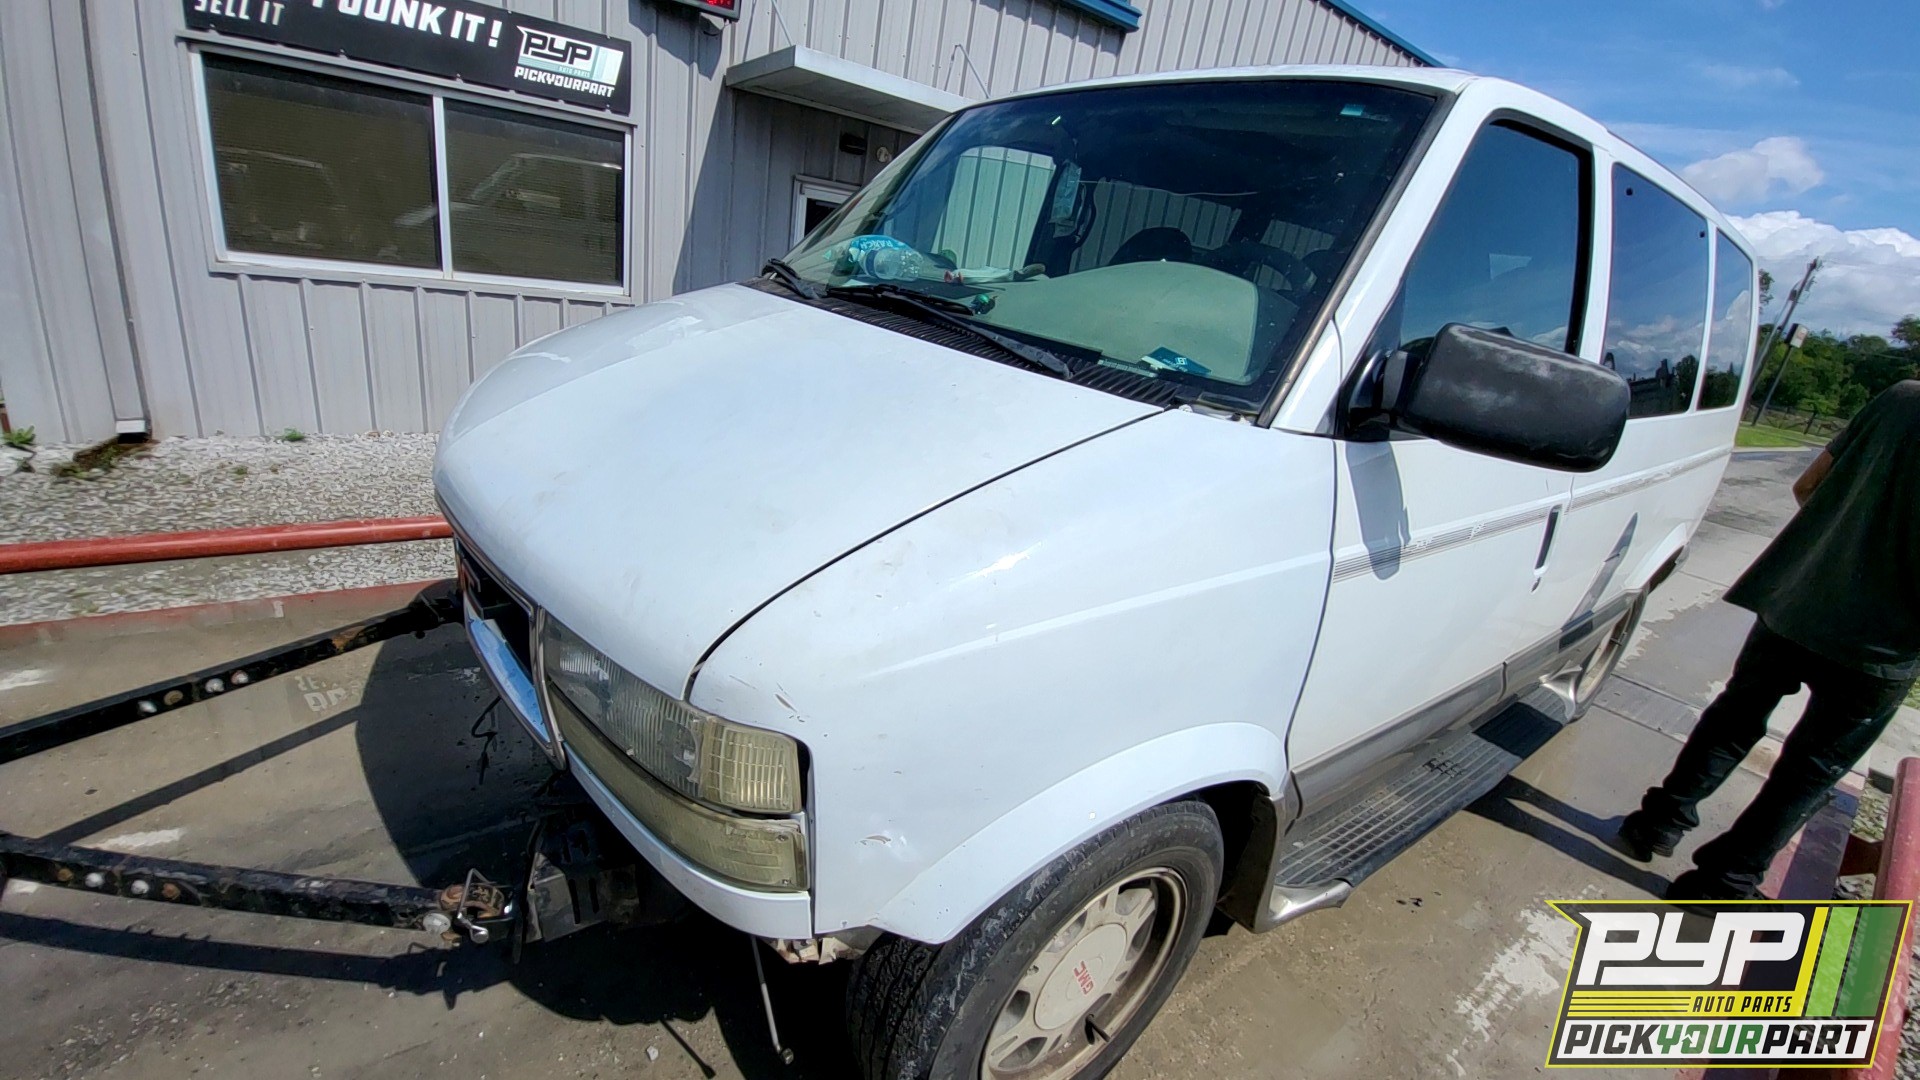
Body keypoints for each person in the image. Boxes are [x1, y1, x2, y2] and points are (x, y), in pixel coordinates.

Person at [1617, 380, 1920, 900]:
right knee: (1811, 769)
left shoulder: (1900, 398)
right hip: (1880, 652)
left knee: (1734, 716)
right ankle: (1724, 879)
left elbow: (1807, 487)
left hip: (1799, 599)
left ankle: (1656, 822)